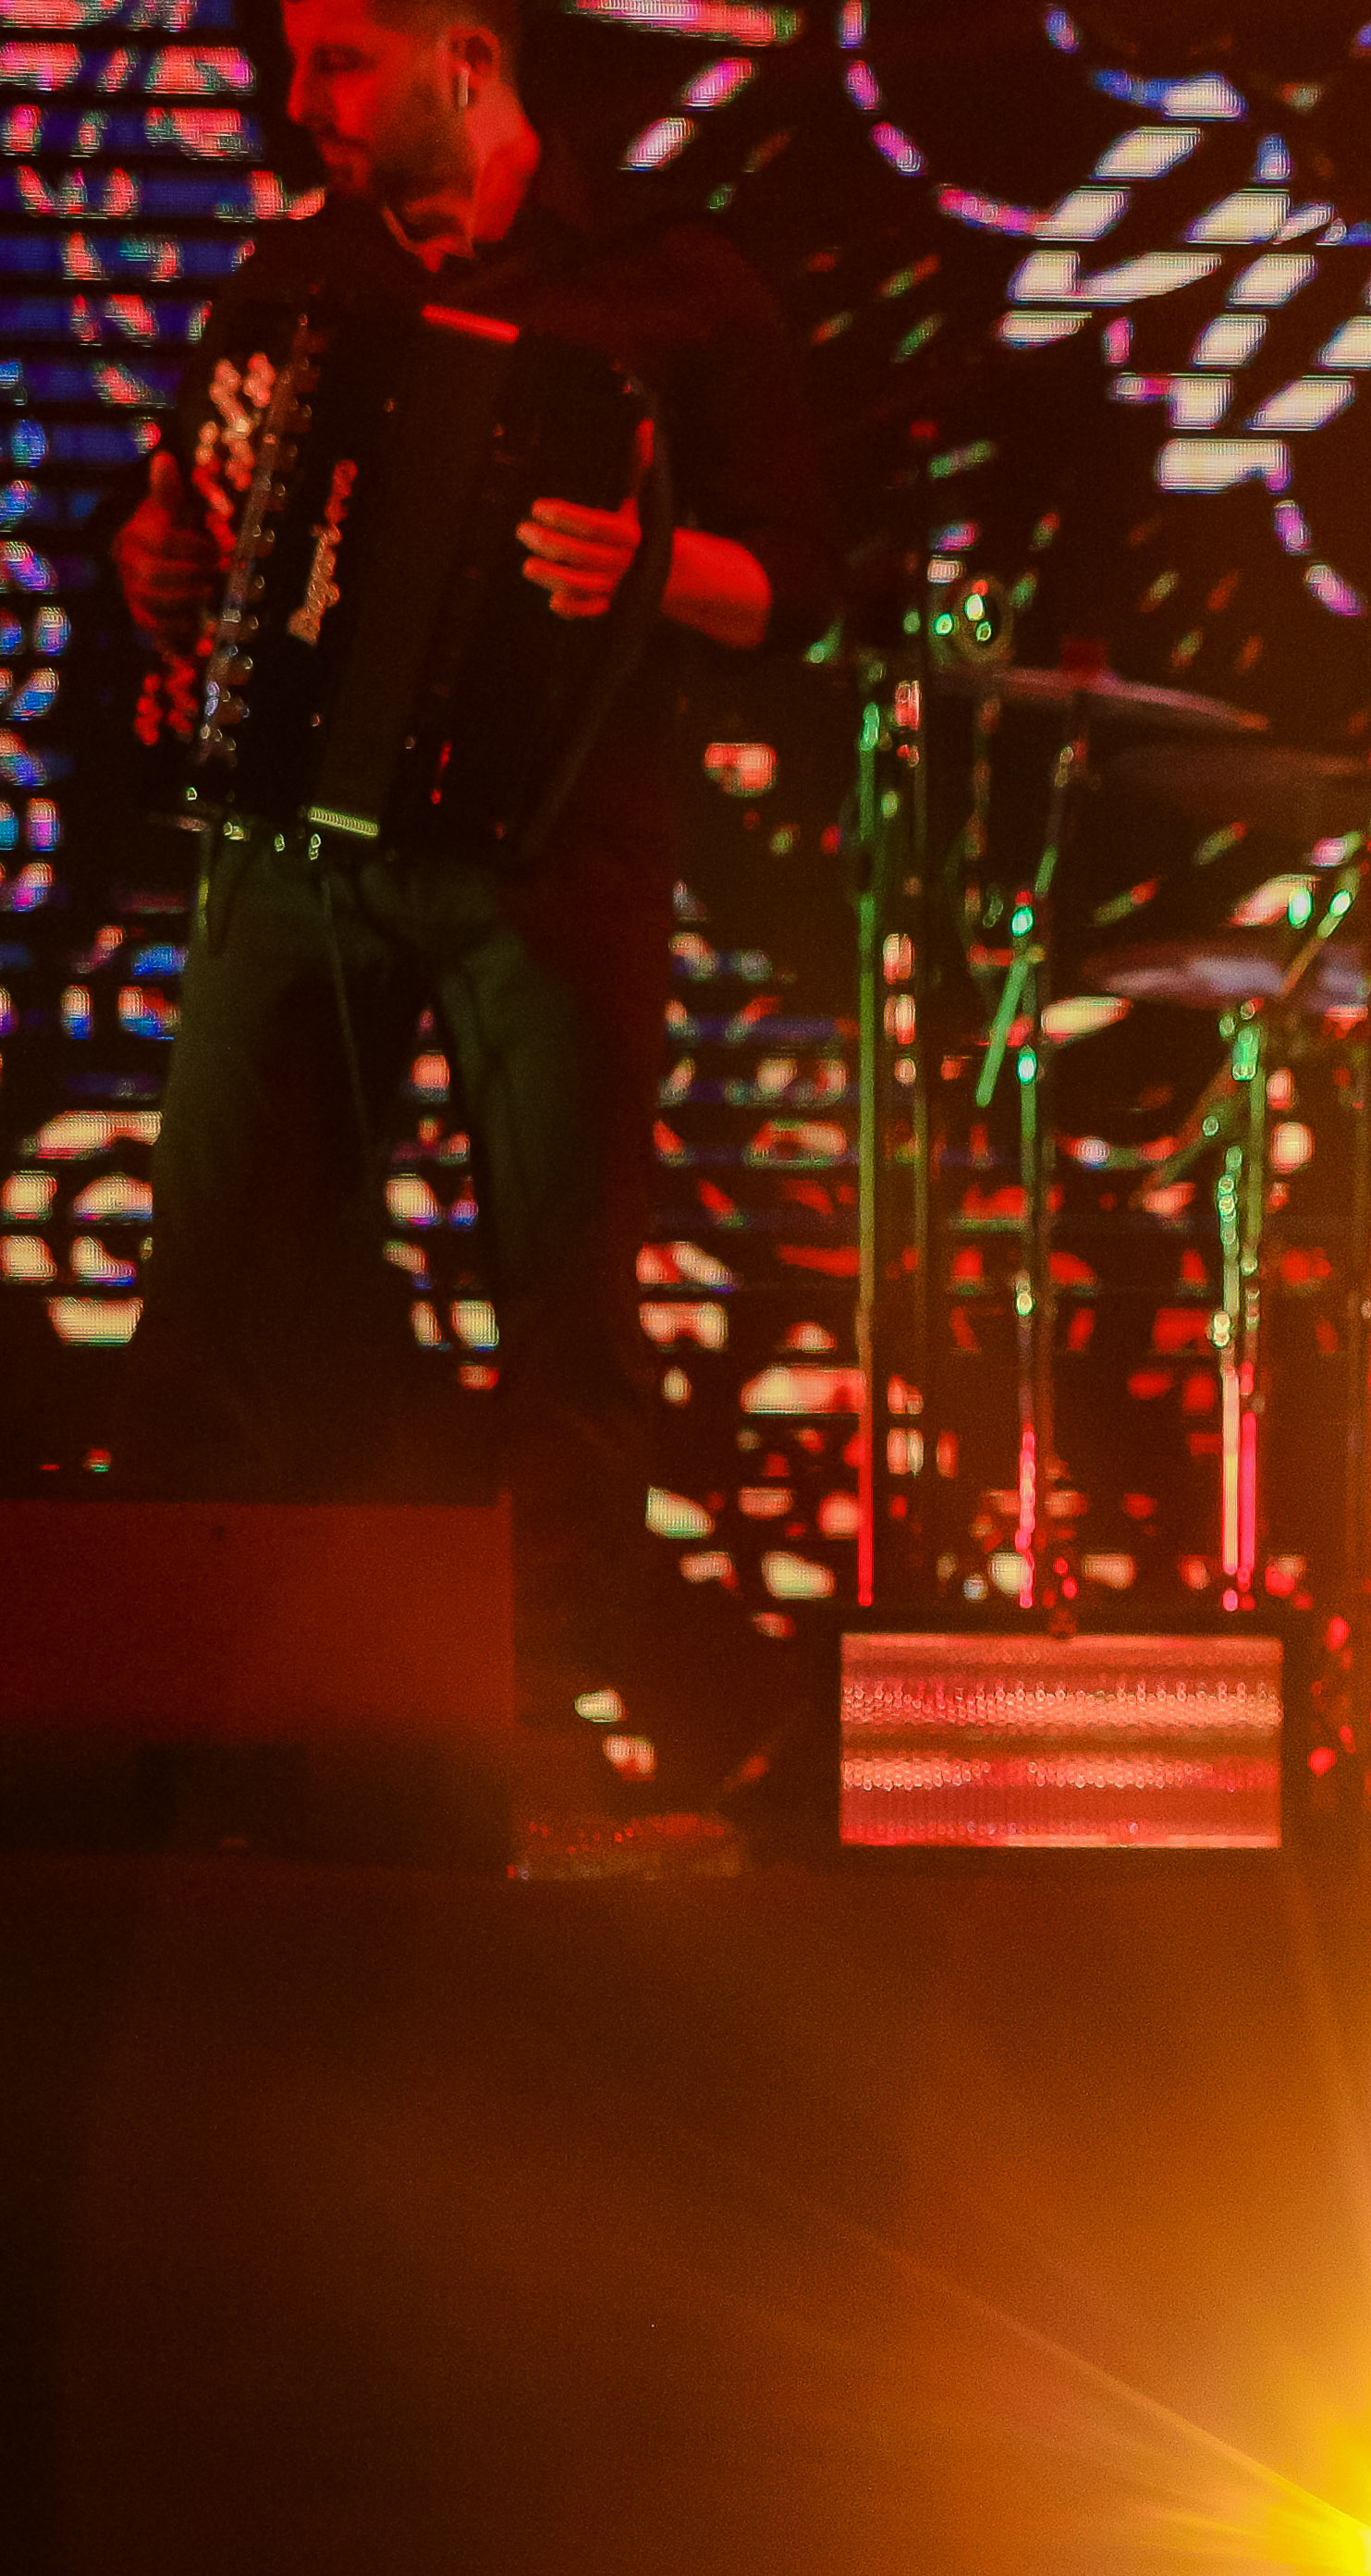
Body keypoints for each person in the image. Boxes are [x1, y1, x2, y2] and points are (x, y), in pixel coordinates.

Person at [113, 0, 838, 1778]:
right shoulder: (291, 282)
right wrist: (159, 566)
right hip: (297, 849)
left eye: (339, 63)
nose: (300, 101)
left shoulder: (674, 283)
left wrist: (652, 562)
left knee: (565, 1320)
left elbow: (799, 590)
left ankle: (538, 1738)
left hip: (558, 855)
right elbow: (189, 534)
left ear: (465, 57)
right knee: (213, 1292)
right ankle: (184, 1734)